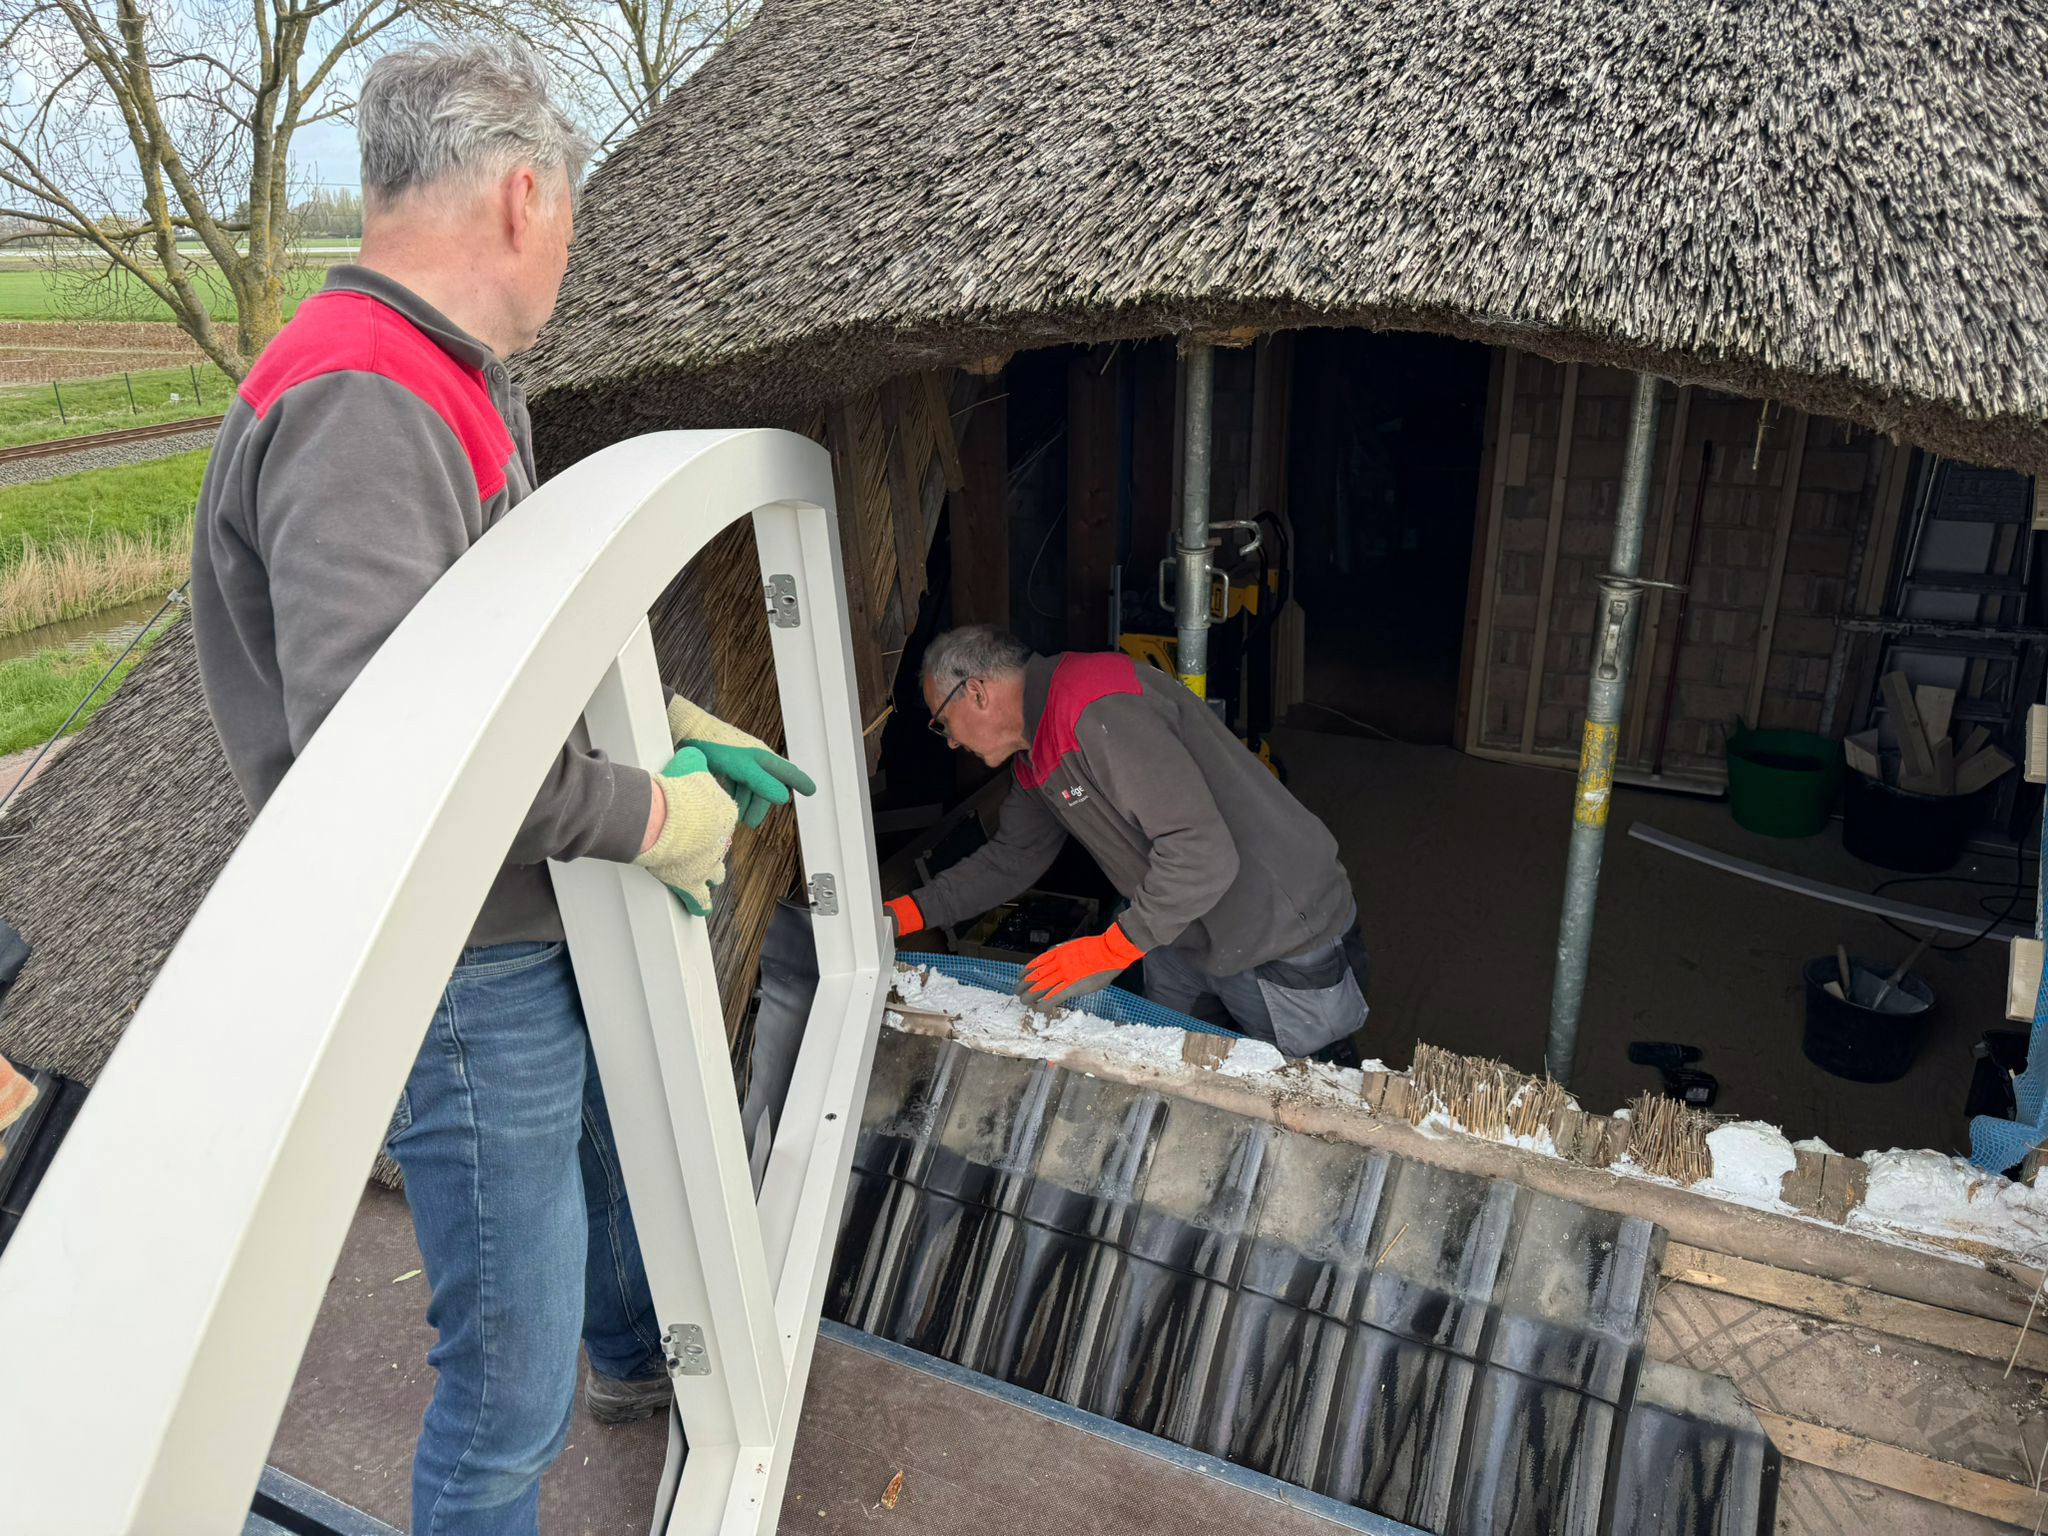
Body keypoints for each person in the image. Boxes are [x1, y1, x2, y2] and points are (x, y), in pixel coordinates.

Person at [187, 41, 811, 1535]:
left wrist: (650, 722)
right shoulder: (362, 400)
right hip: (462, 954)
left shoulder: (436, 371)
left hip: (528, 907)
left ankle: (634, 1368)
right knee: (500, 1399)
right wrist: (649, 814)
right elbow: (390, 747)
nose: (568, 251)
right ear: (526, 195)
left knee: (616, 1164)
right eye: (571, 216)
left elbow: (473, 648)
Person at [887, 626, 1368, 1064]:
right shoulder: (1036, 752)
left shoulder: (1094, 706)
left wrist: (1109, 950)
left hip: (1275, 930)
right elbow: (1011, 859)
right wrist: (901, 917)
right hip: (1177, 936)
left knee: (1307, 1095)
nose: (950, 742)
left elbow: (1201, 854)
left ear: (976, 692)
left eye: (942, 722)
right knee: (1177, 1077)